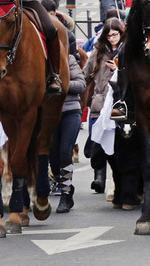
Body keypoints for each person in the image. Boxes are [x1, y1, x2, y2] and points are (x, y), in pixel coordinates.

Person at [83, 18, 125, 194]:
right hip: (99, 103)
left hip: (120, 102)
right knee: (97, 140)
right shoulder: (98, 53)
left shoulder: (126, 51)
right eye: (109, 35)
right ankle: (99, 177)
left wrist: (118, 69)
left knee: (117, 145)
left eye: (115, 34)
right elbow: (85, 74)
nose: (112, 38)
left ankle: (118, 180)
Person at [50, 51, 85, 213]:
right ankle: (63, 184)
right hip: (49, 114)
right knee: (53, 158)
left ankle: (65, 194)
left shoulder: (68, 59)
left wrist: (62, 84)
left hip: (70, 111)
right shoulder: (38, 59)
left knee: (65, 152)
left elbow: (81, 84)